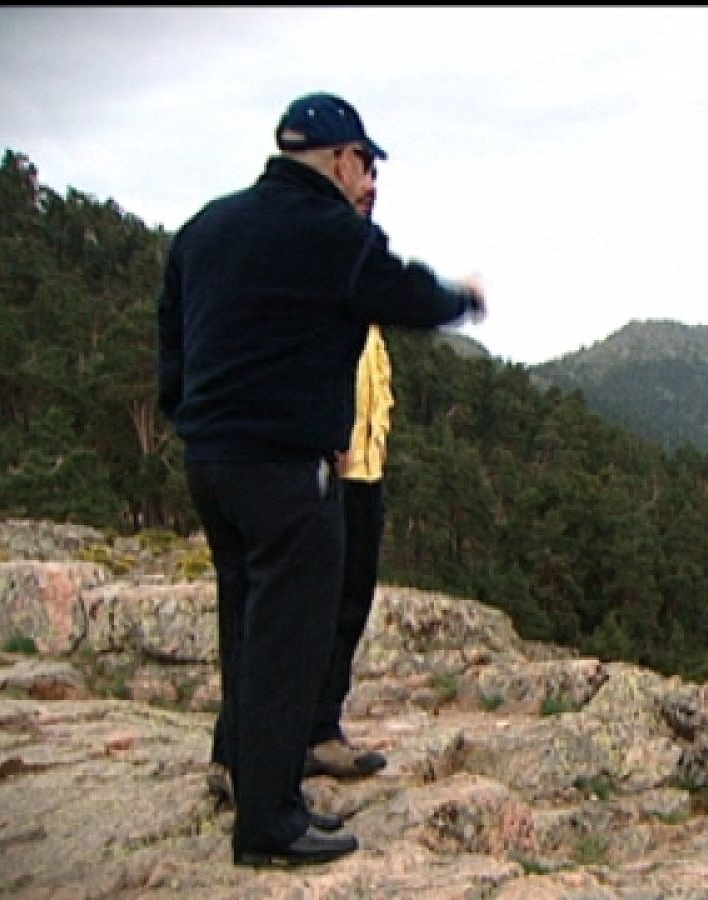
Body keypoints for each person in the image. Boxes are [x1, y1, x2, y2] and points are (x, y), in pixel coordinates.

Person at [160, 91, 485, 869]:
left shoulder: (206, 228)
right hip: (284, 467)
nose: (366, 176)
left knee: (244, 620)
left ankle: (243, 772)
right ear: (340, 160)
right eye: (364, 162)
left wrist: (191, 418)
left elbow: (171, 339)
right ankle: (269, 821)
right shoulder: (328, 231)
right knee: (287, 637)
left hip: (213, 462)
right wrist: (462, 300)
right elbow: (402, 291)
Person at [305, 177, 393, 781]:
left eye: (375, 183)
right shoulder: (308, 259)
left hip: (364, 471)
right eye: (359, 174)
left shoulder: (356, 268)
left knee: (347, 606)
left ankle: (319, 732)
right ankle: (244, 753)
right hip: (317, 469)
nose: (370, 189)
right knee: (292, 613)